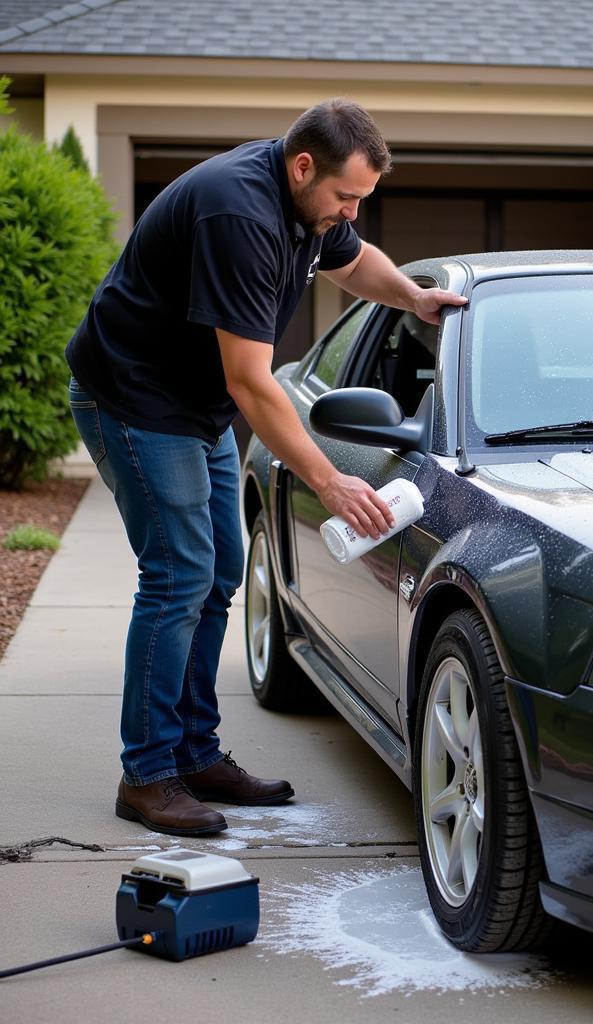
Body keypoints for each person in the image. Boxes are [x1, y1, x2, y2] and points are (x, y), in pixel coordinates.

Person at [65, 97, 467, 837]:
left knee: (218, 572)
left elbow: (353, 262)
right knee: (179, 575)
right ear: (302, 165)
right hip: (131, 397)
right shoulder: (239, 215)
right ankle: (147, 776)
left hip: (193, 403)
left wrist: (411, 297)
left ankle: (194, 752)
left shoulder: (309, 202)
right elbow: (254, 381)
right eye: (345, 197)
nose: (349, 212)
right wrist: (328, 479)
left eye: (361, 201)